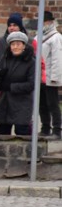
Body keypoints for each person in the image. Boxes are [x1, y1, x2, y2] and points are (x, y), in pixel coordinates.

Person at [0, 31, 35, 136]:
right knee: (2, 133)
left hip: (22, 103)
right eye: (13, 44)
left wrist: (10, 87)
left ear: (24, 45)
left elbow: (31, 84)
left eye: (18, 44)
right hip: (6, 101)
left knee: (22, 132)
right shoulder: (6, 58)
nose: (15, 47)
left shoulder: (31, 62)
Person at [38, 11, 61, 139]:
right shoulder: (38, 37)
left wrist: (54, 78)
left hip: (50, 76)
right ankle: (45, 128)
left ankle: (57, 129)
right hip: (40, 77)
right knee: (42, 104)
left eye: (44, 21)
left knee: (52, 104)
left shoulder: (55, 37)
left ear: (50, 22)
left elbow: (57, 59)